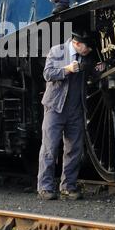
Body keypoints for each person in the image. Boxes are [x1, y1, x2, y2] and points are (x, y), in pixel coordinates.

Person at [38, 30, 101, 201]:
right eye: (87, 47)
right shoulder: (57, 51)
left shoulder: (86, 57)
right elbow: (47, 74)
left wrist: (100, 68)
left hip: (75, 109)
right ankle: (45, 187)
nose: (89, 51)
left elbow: (94, 73)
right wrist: (66, 69)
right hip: (55, 107)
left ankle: (68, 186)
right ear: (77, 44)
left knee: (74, 149)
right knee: (50, 148)